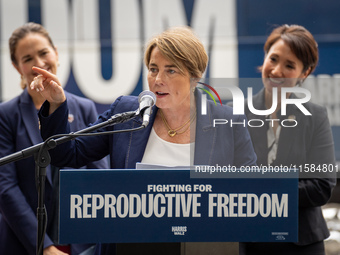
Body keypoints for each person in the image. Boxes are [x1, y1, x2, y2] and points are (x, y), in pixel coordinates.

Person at [31, 26, 257, 254]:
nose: (158, 79)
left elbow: (250, 193)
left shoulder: (227, 122)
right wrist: (57, 104)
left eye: (171, 71)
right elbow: (68, 153)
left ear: (195, 76)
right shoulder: (128, 112)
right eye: (153, 69)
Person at [0, 22, 108, 255]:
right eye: (27, 58)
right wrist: (45, 247)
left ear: (56, 54)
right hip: (25, 243)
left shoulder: (84, 108)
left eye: (43, 53)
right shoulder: (6, 115)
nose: (39, 64)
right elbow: (5, 188)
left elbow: (99, 177)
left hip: (81, 241)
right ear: (17, 66)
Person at [239, 24, 337, 255]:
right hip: (249, 242)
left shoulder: (315, 116)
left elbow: (322, 186)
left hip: (301, 243)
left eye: (289, 65)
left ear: (305, 73)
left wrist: (263, 188)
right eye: (273, 59)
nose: (276, 71)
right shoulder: (236, 114)